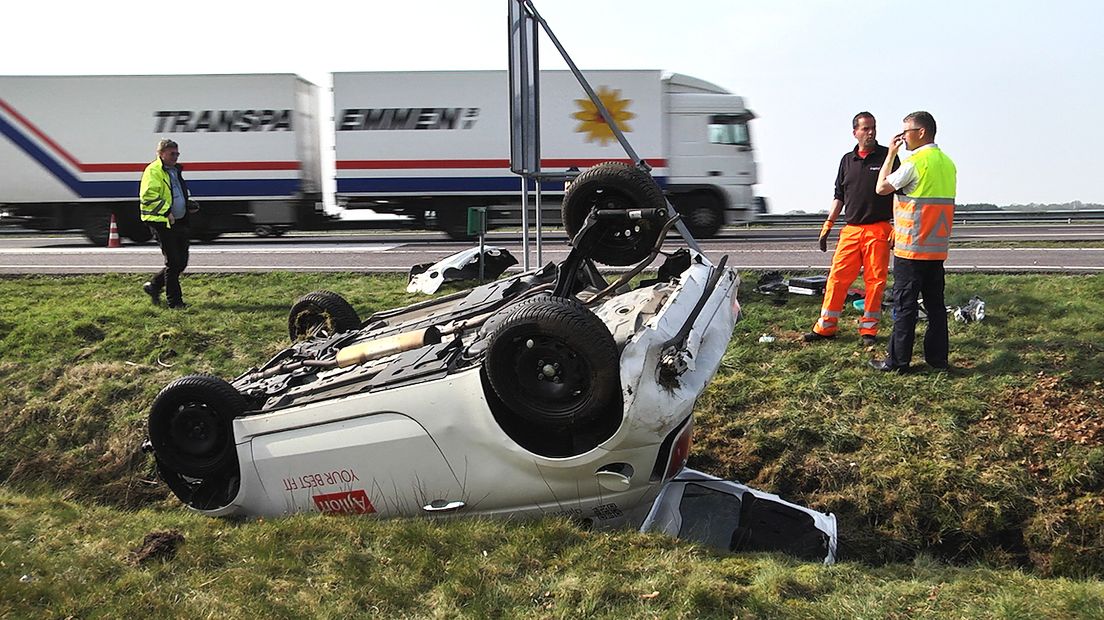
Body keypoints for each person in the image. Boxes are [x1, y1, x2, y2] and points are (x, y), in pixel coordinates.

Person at [870, 111, 957, 372]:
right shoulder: (947, 163)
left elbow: (881, 187)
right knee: (936, 307)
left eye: (906, 132)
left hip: (911, 249)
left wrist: (889, 155)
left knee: (904, 307)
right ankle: (937, 359)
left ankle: (897, 362)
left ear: (921, 132)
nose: (902, 137)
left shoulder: (915, 163)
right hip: (936, 248)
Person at [803, 112, 899, 346]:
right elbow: (839, 196)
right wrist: (828, 224)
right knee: (836, 279)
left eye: (873, 128)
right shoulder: (847, 160)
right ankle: (826, 327)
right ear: (855, 132)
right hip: (851, 230)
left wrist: (896, 226)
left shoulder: (888, 157)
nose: (870, 132)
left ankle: (868, 330)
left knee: (875, 282)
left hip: (878, 229)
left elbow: (899, 193)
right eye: (865, 129)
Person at [139, 139, 198, 309]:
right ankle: (175, 303)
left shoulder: (174, 171)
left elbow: (176, 193)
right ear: (161, 153)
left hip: (179, 220)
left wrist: (187, 205)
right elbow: (149, 196)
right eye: (172, 153)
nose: (176, 157)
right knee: (173, 262)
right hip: (161, 221)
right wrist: (167, 212)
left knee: (181, 262)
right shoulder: (154, 171)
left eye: (177, 153)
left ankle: (154, 286)